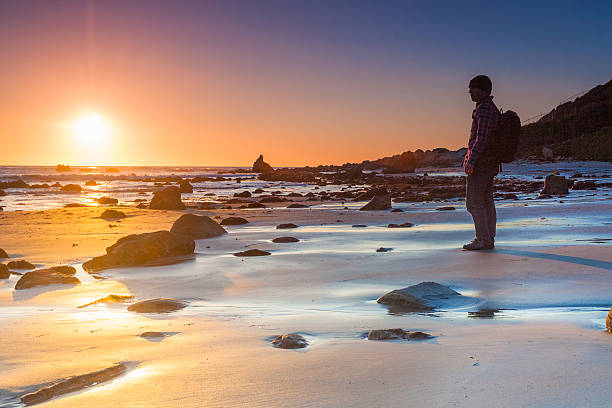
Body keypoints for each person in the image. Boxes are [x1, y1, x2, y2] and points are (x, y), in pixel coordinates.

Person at [463, 75, 500, 250]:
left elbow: (481, 139)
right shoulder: (488, 108)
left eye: (472, 88)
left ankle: (483, 239)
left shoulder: (484, 109)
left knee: (473, 202)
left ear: (482, 89)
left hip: (483, 163)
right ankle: (488, 238)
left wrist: (471, 160)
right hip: (490, 162)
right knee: (485, 201)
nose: (469, 91)